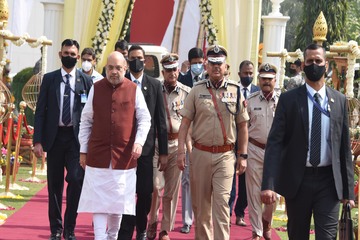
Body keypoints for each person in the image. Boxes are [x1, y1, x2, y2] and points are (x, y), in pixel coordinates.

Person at [261, 43, 355, 239]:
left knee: (328, 236)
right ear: (303, 66)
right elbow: (275, 143)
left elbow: (344, 148)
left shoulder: (338, 100)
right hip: (298, 181)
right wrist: (268, 183)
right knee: (297, 235)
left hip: (329, 182)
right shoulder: (289, 100)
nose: (314, 65)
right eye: (310, 61)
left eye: (318, 61)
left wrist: (348, 192)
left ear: (326, 65)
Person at [177, 45, 249, 239]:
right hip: (200, 154)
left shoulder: (235, 90)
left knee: (222, 206)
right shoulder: (196, 91)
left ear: (226, 66)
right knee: (201, 209)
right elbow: (184, 124)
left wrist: (243, 156)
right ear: (207, 66)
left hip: (225, 156)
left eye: (220, 63)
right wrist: (181, 152)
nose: (216, 67)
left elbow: (243, 126)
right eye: (213, 63)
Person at [77, 51, 151, 240]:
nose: (114, 71)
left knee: (118, 203)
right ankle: (100, 237)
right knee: (99, 203)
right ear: (105, 68)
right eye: (110, 67)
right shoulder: (96, 87)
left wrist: (139, 142)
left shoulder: (134, 89)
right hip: (97, 156)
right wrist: (83, 150)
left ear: (125, 68)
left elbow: (145, 118)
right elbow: (85, 121)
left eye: (118, 68)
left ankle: (112, 236)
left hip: (123, 158)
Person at [33, 39, 93, 240]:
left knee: (76, 180)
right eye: (66, 53)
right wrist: (38, 141)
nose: (69, 57)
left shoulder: (85, 81)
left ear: (78, 56)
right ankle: (56, 229)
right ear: (60, 54)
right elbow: (40, 111)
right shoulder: (50, 79)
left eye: (73, 54)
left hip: (77, 140)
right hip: (55, 138)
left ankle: (70, 228)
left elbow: (90, 113)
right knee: (55, 185)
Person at [118, 45, 168, 240]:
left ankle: (141, 227)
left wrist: (163, 152)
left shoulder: (155, 85)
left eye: (139, 58)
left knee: (145, 192)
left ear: (145, 60)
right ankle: (126, 229)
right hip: (123, 149)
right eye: (132, 58)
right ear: (127, 60)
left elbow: (161, 121)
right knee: (125, 190)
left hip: (146, 149)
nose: (136, 61)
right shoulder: (120, 82)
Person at [146, 54, 191, 239]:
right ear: (163, 72)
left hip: (177, 144)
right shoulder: (155, 88)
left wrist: (188, 149)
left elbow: (190, 123)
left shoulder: (187, 92)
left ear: (178, 70)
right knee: (156, 186)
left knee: (171, 191)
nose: (172, 73)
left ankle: (165, 229)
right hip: (157, 143)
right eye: (168, 70)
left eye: (175, 69)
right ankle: (152, 221)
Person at [245, 63, 279, 240]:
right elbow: (243, 128)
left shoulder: (283, 101)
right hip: (254, 149)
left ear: (275, 80)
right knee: (253, 192)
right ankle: (257, 231)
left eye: (269, 79)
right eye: (263, 79)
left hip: (276, 154)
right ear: (258, 80)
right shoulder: (250, 101)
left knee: (274, 194)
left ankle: (267, 221)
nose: (266, 82)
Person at [177, 47, 206, 234]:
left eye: (199, 62)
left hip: (205, 135)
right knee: (187, 179)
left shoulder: (209, 80)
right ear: (189, 63)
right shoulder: (183, 80)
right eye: (193, 62)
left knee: (206, 180)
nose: (197, 65)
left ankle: (204, 217)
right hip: (187, 133)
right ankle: (187, 220)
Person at [229, 60, 260, 227]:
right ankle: (227, 211)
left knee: (246, 180)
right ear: (239, 73)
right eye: (245, 73)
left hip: (250, 143)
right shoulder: (232, 90)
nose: (248, 76)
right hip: (232, 139)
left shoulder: (257, 91)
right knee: (230, 179)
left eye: (250, 73)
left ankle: (240, 212)